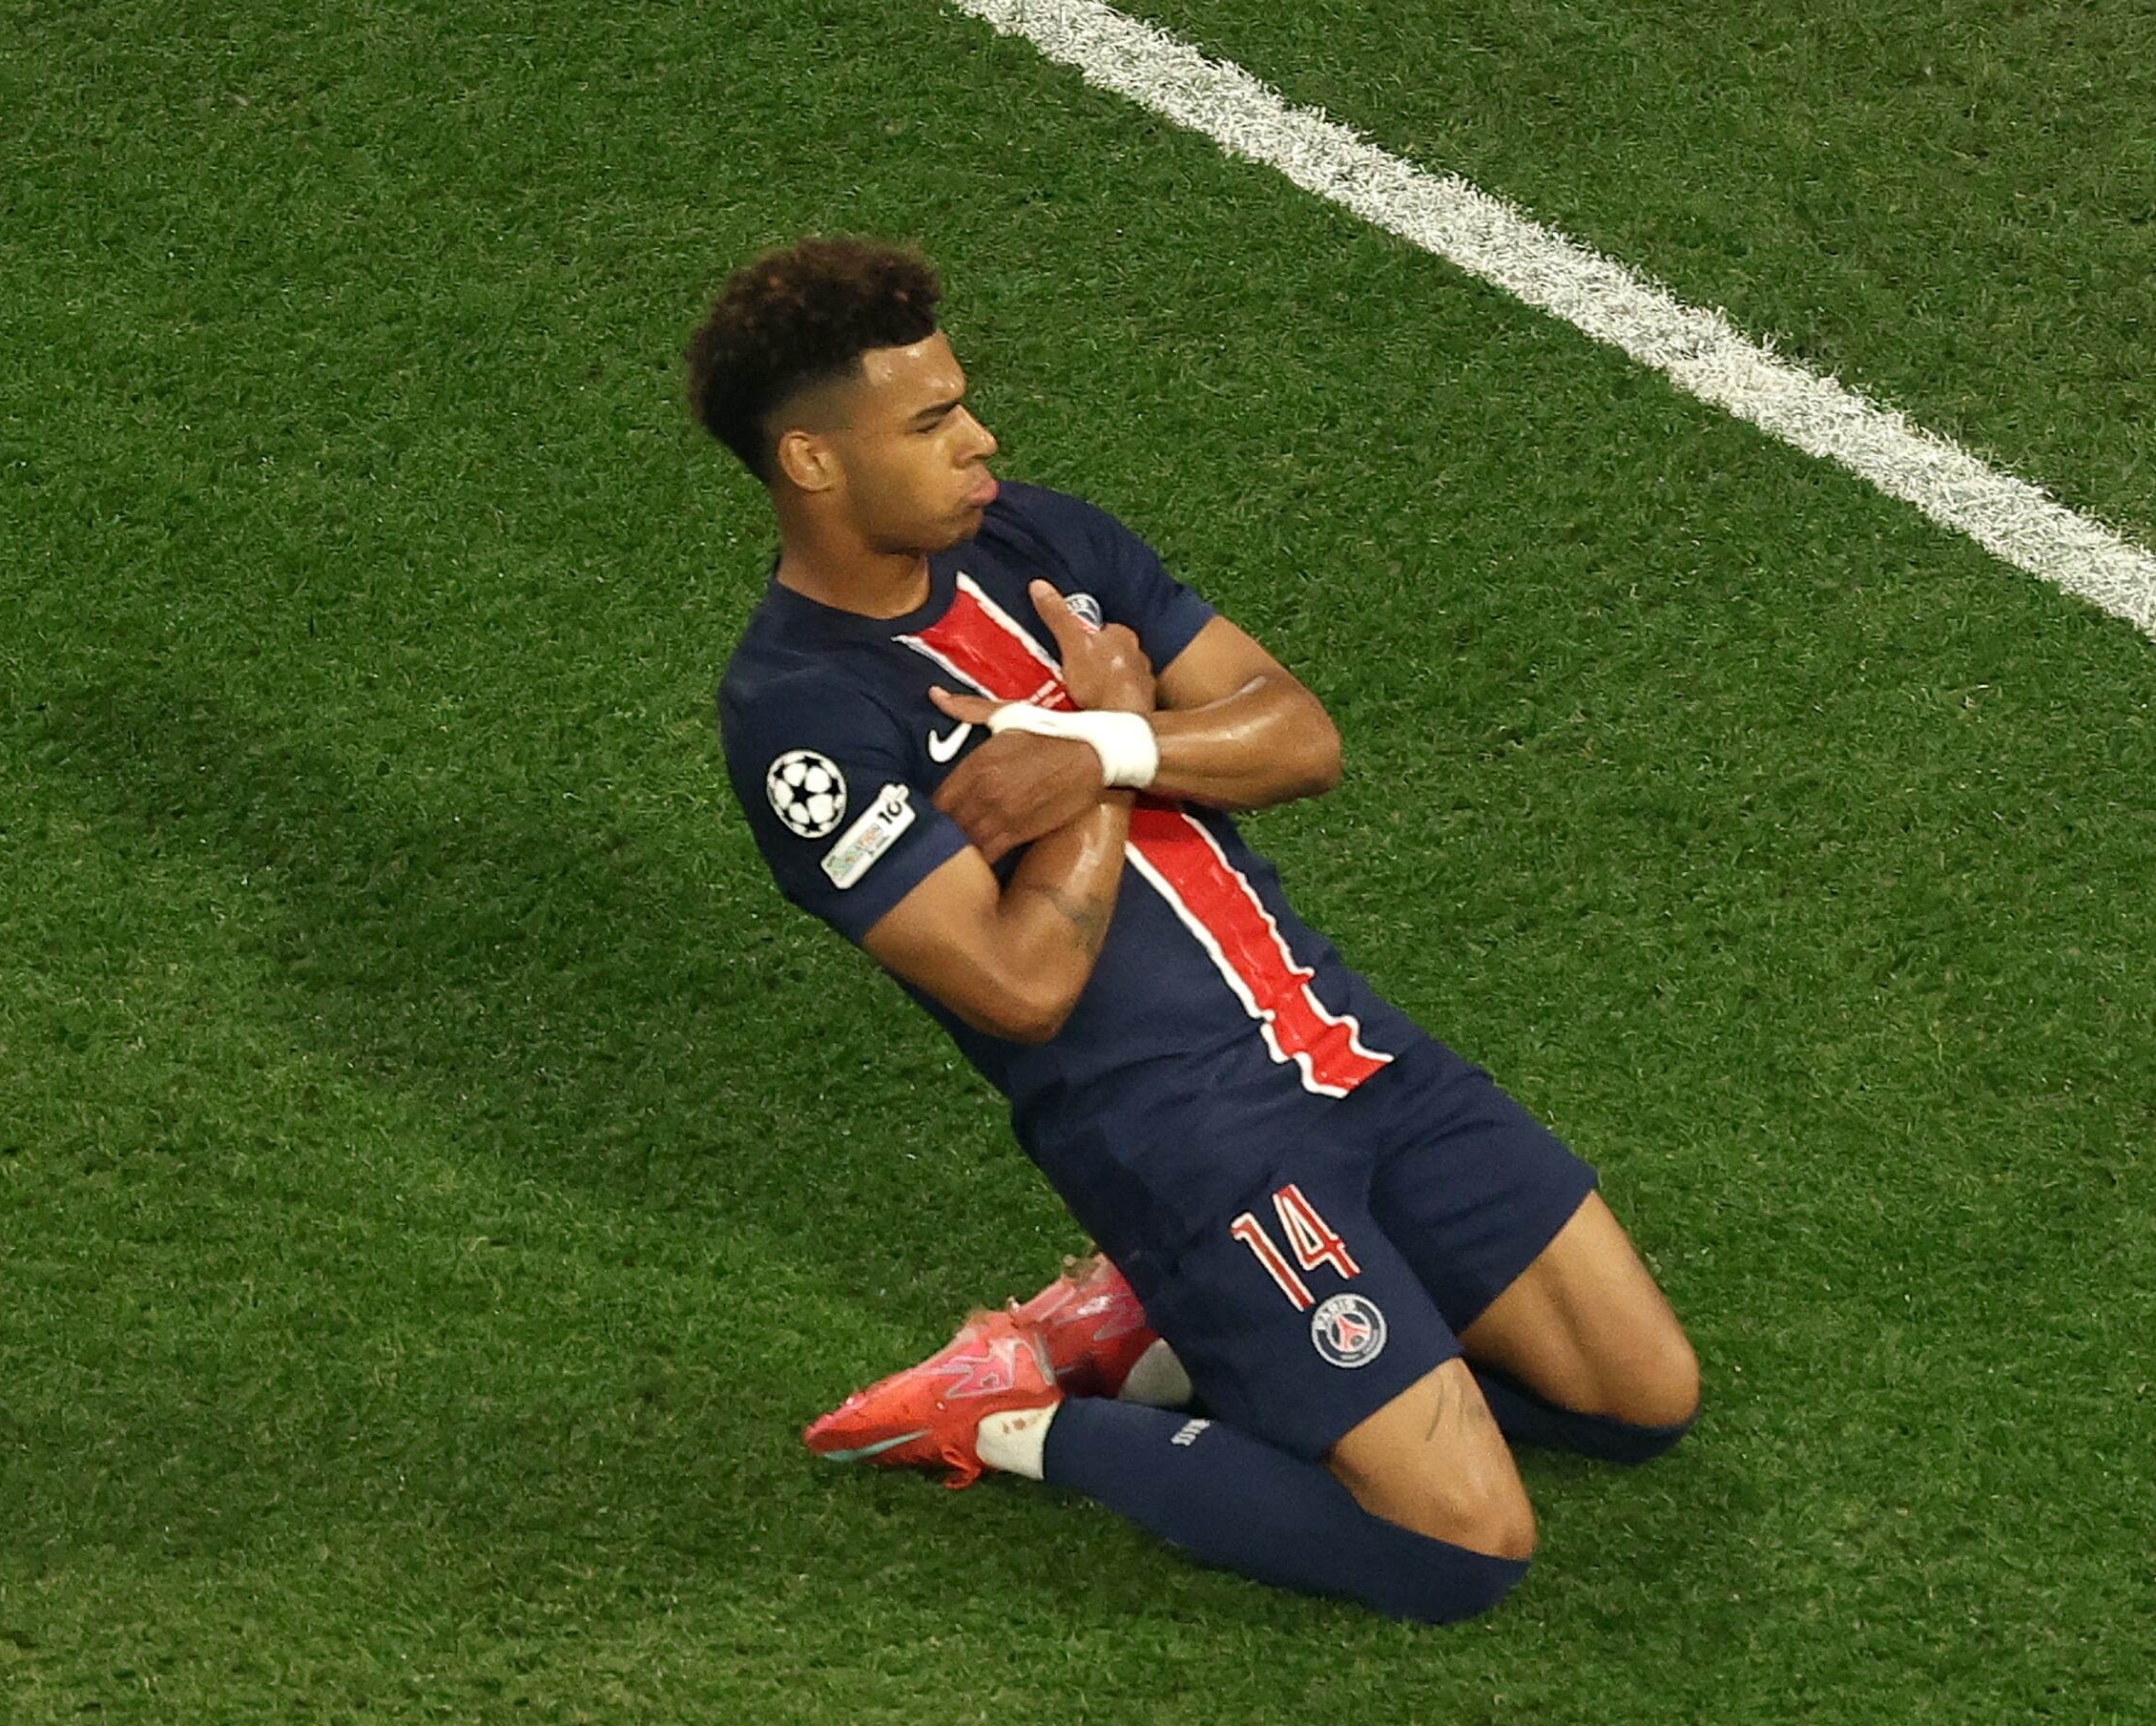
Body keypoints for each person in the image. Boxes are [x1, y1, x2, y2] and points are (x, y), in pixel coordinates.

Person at [689, 237, 1699, 1624]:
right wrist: (1101, 759)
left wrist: (1106, 738)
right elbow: (1020, 984)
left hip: (1346, 1047)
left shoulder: (1041, 540)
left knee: (1645, 1397)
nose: (981, 440)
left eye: (964, 400)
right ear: (811, 462)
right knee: (1464, 1545)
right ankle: (1009, 1415)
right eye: (931, 424)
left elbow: (1299, 734)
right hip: (1191, 1145)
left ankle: (1174, 1339)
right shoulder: (801, 718)